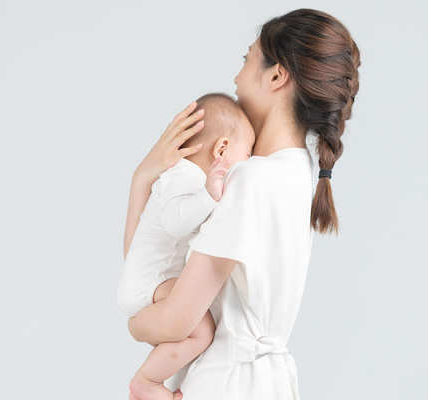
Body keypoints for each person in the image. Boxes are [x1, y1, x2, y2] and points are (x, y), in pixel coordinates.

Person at [122, 8, 361, 400]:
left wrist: (134, 323)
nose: (236, 78)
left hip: (224, 382)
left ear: (276, 75)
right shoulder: (298, 171)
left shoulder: (249, 180)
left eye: (246, 59)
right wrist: (142, 178)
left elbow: (174, 317)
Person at [118, 93, 256, 400]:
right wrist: (207, 196)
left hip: (152, 280)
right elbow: (174, 223)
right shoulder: (182, 176)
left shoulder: (189, 178)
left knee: (196, 332)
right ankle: (146, 381)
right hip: (149, 281)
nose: (248, 162)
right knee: (200, 330)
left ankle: (149, 380)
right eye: (247, 154)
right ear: (222, 149)